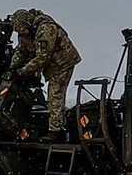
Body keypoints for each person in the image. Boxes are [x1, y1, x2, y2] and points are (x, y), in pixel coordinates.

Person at [7, 8, 81, 143]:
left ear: (28, 24)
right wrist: (12, 68)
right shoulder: (25, 33)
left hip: (62, 62)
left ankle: (56, 131)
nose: (21, 32)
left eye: (22, 29)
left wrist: (22, 72)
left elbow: (42, 57)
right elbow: (21, 52)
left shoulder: (46, 29)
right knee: (49, 95)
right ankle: (55, 122)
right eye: (18, 31)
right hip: (50, 64)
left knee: (55, 95)